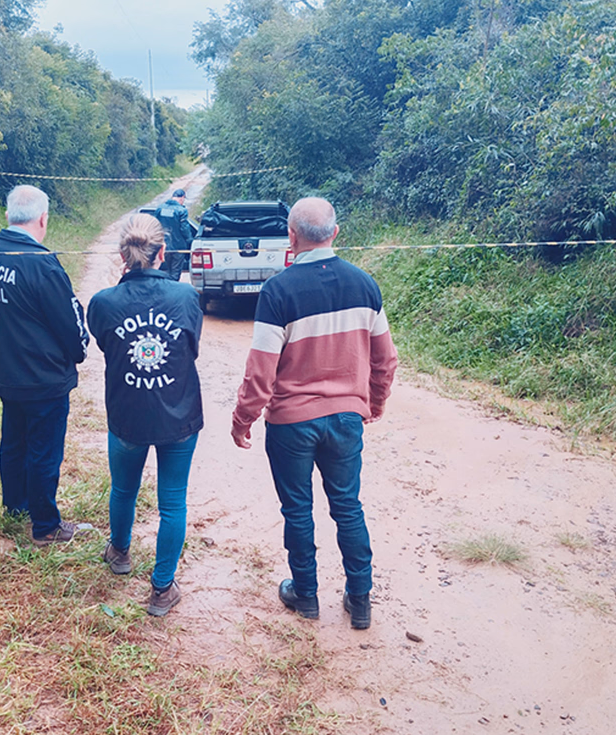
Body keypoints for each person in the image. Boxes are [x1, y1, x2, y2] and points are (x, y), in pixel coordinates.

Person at [231, 197, 398, 630]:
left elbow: (261, 370)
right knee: (348, 506)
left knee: (298, 509)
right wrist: (372, 403)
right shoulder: (365, 284)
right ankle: (359, 599)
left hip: (291, 423)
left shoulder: (278, 291)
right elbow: (386, 361)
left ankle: (306, 595)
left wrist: (243, 418)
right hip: (346, 419)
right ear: (335, 233)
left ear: (291, 236)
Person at [88, 213, 203, 616]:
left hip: (127, 415)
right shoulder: (186, 297)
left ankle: (119, 552)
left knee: (124, 488)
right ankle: (161, 588)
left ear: (122, 254)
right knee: (172, 501)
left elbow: (106, 345)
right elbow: (190, 347)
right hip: (179, 416)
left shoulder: (103, 303)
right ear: (162, 253)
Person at [0, 185, 89, 546]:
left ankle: (15, 508)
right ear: (43, 219)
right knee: (43, 451)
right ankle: (45, 526)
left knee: (14, 442)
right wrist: (79, 351)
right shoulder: (42, 264)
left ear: (9, 216)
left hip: (7, 373)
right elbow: (71, 324)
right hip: (43, 378)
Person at [154, 189, 195, 281]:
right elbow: (184, 228)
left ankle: (167, 285)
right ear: (182, 198)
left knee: (167, 270)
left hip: (164, 246)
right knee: (175, 272)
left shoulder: (160, 208)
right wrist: (190, 241)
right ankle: (172, 288)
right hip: (178, 246)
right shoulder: (181, 211)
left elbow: (155, 225)